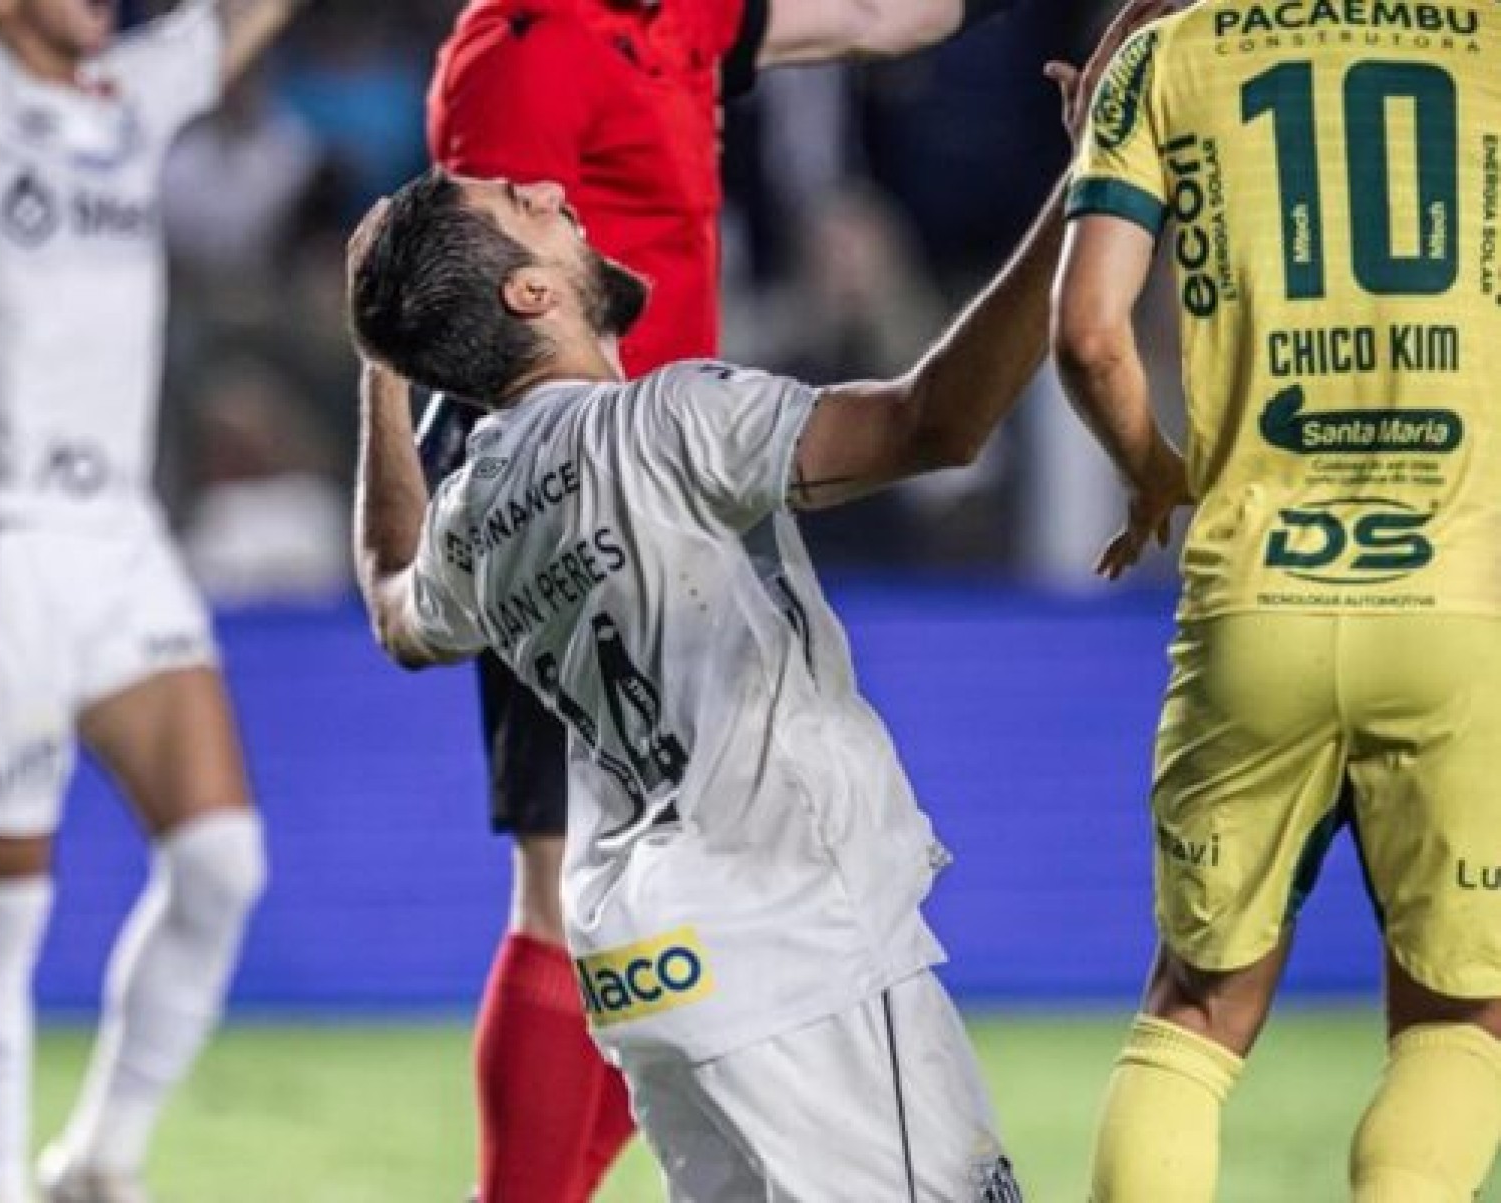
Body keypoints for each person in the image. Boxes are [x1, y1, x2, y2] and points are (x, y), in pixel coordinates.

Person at [347, 7, 1160, 1196]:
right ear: (528, 295)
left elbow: (388, 598)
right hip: (800, 953)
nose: (552, 193)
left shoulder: (481, 512)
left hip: (647, 974)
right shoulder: (672, 421)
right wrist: (1091, 181)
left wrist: (380, 370)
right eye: (525, 207)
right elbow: (940, 422)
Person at [0, 2, 302, 1201]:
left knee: (222, 864)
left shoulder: (134, 97)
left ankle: (97, 1162)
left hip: (118, 533)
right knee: (2, 911)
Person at [1053, 3, 1501, 1200]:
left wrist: (1156, 474)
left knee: (1194, 1012)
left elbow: (1090, 336)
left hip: (1255, 594)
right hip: (1463, 601)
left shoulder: (1161, 54)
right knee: (1463, 1016)